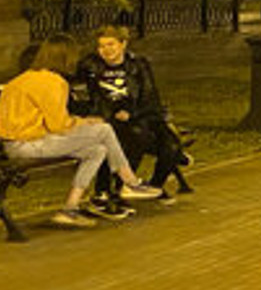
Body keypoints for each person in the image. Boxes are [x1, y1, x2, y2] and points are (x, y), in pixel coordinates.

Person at [0, 33, 167, 228]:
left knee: (97, 150)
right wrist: (83, 122)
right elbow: (58, 126)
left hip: (16, 142)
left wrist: (81, 122)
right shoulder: (53, 82)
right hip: (27, 145)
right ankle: (130, 182)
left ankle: (69, 208)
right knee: (103, 129)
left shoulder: (24, 79)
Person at [76, 24, 190, 200]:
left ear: (123, 44)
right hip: (110, 120)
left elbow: (150, 98)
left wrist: (132, 113)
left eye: (110, 44)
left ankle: (154, 186)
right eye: (101, 46)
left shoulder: (137, 65)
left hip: (140, 116)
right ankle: (122, 187)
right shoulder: (90, 66)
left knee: (172, 147)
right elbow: (82, 97)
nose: (106, 50)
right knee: (137, 136)